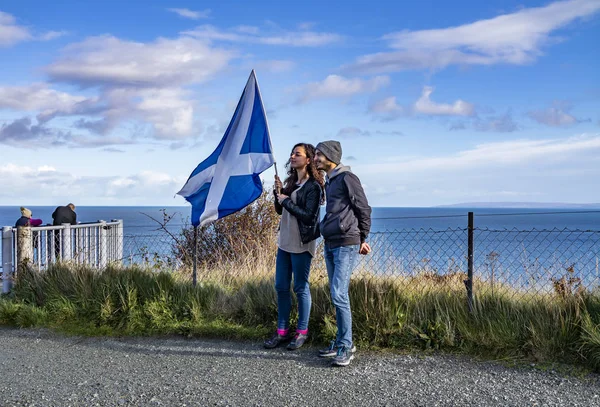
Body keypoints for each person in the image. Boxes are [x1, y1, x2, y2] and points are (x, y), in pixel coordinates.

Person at [314, 140, 372, 367]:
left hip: (346, 243)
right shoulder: (330, 181)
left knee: (339, 293)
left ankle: (346, 346)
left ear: (331, 157)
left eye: (319, 154)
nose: (316, 158)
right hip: (331, 242)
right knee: (337, 293)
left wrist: (362, 238)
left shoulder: (348, 178)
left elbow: (363, 208)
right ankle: (341, 340)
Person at [263, 143, 324, 350]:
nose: (292, 156)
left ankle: (302, 331)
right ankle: (282, 331)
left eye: (297, 154)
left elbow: (309, 216)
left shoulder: (314, 186)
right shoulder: (290, 182)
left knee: (300, 287)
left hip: (302, 243)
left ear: (308, 160)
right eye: (292, 153)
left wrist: (287, 200)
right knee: (281, 286)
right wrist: (278, 194)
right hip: (285, 243)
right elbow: (281, 211)